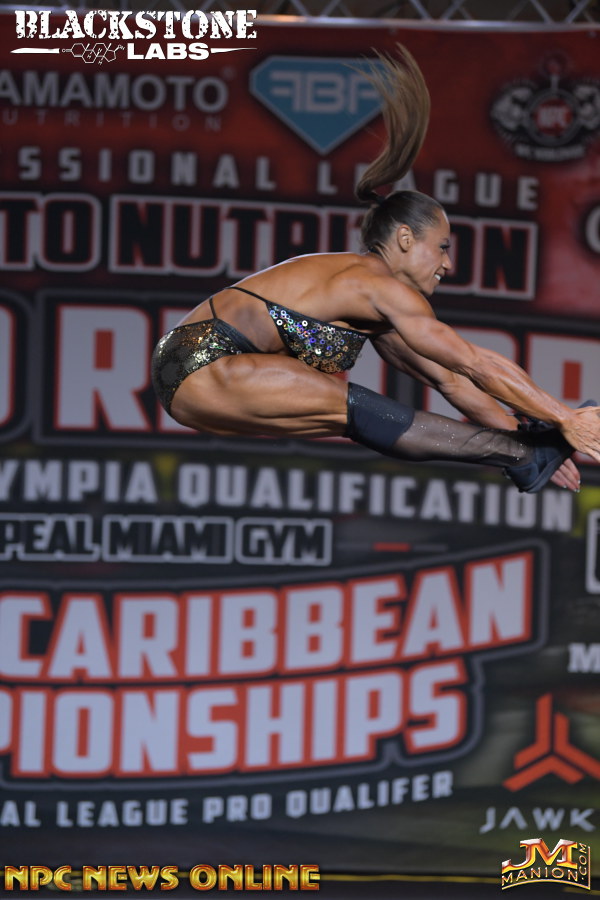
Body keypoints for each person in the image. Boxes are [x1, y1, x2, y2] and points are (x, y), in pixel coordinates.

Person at [152, 45, 600, 494]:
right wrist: (563, 417)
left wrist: (524, 438)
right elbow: (474, 361)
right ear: (405, 238)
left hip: (190, 381)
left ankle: (525, 453)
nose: (447, 263)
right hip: (201, 362)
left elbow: (452, 381)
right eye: (441, 247)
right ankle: (525, 453)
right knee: (363, 411)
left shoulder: (376, 309)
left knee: (365, 419)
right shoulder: (376, 285)